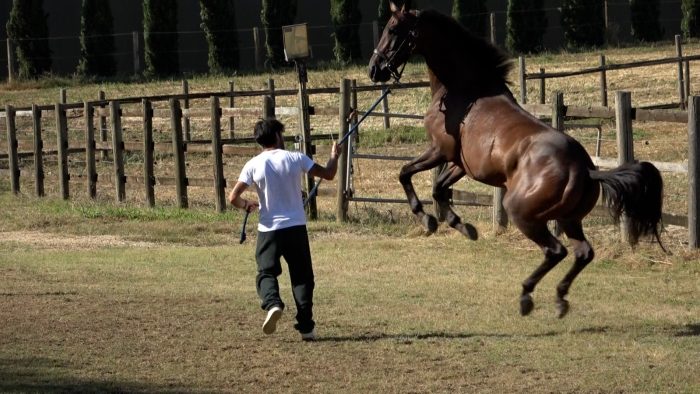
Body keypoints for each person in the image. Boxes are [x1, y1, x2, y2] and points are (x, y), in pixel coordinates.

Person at [228, 118, 341, 341]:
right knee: (302, 277)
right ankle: (307, 327)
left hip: (268, 229)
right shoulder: (295, 158)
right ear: (278, 136)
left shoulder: (253, 164)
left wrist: (247, 205)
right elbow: (328, 174)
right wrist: (334, 156)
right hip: (296, 228)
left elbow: (233, 197)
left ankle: (273, 304)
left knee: (266, 272)